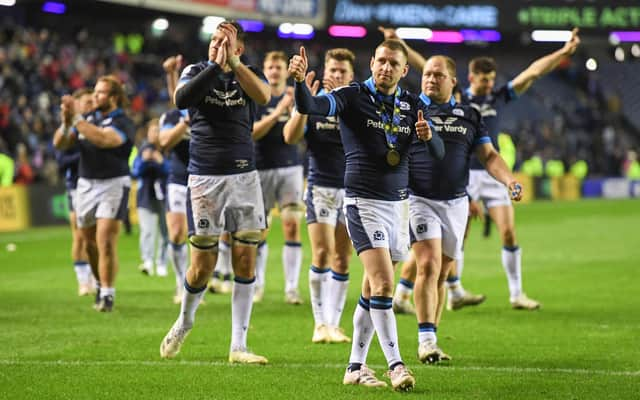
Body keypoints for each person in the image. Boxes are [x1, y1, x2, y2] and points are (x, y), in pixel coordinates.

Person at [381, 26, 581, 310]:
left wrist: (563, 52)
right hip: (460, 173)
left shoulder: (498, 97)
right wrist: (398, 44)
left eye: (492, 79)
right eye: (484, 79)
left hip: (489, 170)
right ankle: (446, 290)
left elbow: (533, 72)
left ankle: (513, 293)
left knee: (506, 232)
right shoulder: (456, 96)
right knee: (441, 241)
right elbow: (426, 66)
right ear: (469, 78)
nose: (489, 84)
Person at [290, 40, 443, 391]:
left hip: (398, 206)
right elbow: (312, 105)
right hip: (362, 204)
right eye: (381, 61)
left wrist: (429, 135)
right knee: (385, 284)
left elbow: (436, 152)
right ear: (371, 62)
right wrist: (299, 83)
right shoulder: (353, 95)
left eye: (394, 64)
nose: (386, 67)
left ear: (405, 71)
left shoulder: (412, 104)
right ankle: (396, 365)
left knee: (372, 290)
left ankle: (354, 367)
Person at [159, 21, 272, 364]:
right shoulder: (195, 71)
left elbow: (265, 96)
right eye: (214, 39)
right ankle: (185, 320)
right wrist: (214, 67)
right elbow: (181, 99)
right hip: (205, 178)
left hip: (244, 176)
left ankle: (238, 345)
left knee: (244, 258)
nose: (217, 44)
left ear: (239, 49)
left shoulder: (248, 73)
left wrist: (234, 67)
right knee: (202, 266)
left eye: (225, 40)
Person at [408, 55, 523, 363]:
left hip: (457, 202)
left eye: (437, 75)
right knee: (428, 265)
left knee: (443, 273)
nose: (430, 79)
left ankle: (431, 339)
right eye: (427, 74)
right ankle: (426, 340)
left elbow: (489, 156)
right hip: (419, 199)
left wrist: (509, 181)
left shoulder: (469, 114)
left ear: (452, 80)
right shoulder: (407, 109)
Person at [282, 48, 355, 344]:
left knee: (343, 257)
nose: (336, 75)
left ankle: (334, 325)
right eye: (332, 70)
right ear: (325, 72)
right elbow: (289, 137)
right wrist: (303, 107)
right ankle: (319, 323)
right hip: (321, 186)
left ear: (351, 76)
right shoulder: (312, 102)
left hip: (352, 190)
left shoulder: (356, 103)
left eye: (342, 71)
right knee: (322, 252)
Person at [53, 75, 135, 312]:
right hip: (86, 185)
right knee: (89, 243)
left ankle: (108, 293)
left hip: (113, 184)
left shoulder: (123, 121)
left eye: (100, 93)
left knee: (106, 240)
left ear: (114, 97)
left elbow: (103, 139)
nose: (95, 97)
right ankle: (99, 283)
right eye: (95, 92)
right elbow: (60, 143)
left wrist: (77, 120)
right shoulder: (88, 119)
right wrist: (66, 121)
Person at [251, 51, 302, 304]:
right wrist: (277, 111)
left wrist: (293, 108)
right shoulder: (257, 97)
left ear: (286, 71)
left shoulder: (295, 97)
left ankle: (291, 288)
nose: (274, 71)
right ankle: (258, 285)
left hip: (290, 168)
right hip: (260, 169)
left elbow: (300, 133)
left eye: (279, 67)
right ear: (264, 69)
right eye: (270, 67)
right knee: (260, 230)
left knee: (292, 227)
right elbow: (252, 134)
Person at [53, 88, 96, 296]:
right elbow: (60, 160)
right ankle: (83, 281)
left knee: (98, 235)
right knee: (79, 235)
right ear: (77, 105)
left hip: (99, 184)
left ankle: (97, 278)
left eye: (92, 101)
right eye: (86, 102)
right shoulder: (70, 130)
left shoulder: (96, 124)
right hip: (77, 186)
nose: (91, 105)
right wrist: (83, 157)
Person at [158, 55, 192, 303]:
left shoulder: (206, 108)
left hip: (204, 179)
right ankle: (181, 283)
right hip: (178, 180)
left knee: (202, 237)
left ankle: (199, 281)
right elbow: (164, 143)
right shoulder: (170, 118)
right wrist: (185, 124)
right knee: (177, 232)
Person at [131, 119, 170, 277]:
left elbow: (171, 171)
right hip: (145, 195)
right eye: (152, 131)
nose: (154, 134)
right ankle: (147, 261)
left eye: (157, 131)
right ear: (147, 133)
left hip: (164, 195)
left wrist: (160, 162)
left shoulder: (167, 149)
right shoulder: (142, 150)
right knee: (147, 231)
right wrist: (146, 161)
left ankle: (162, 263)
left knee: (164, 231)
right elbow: (135, 172)